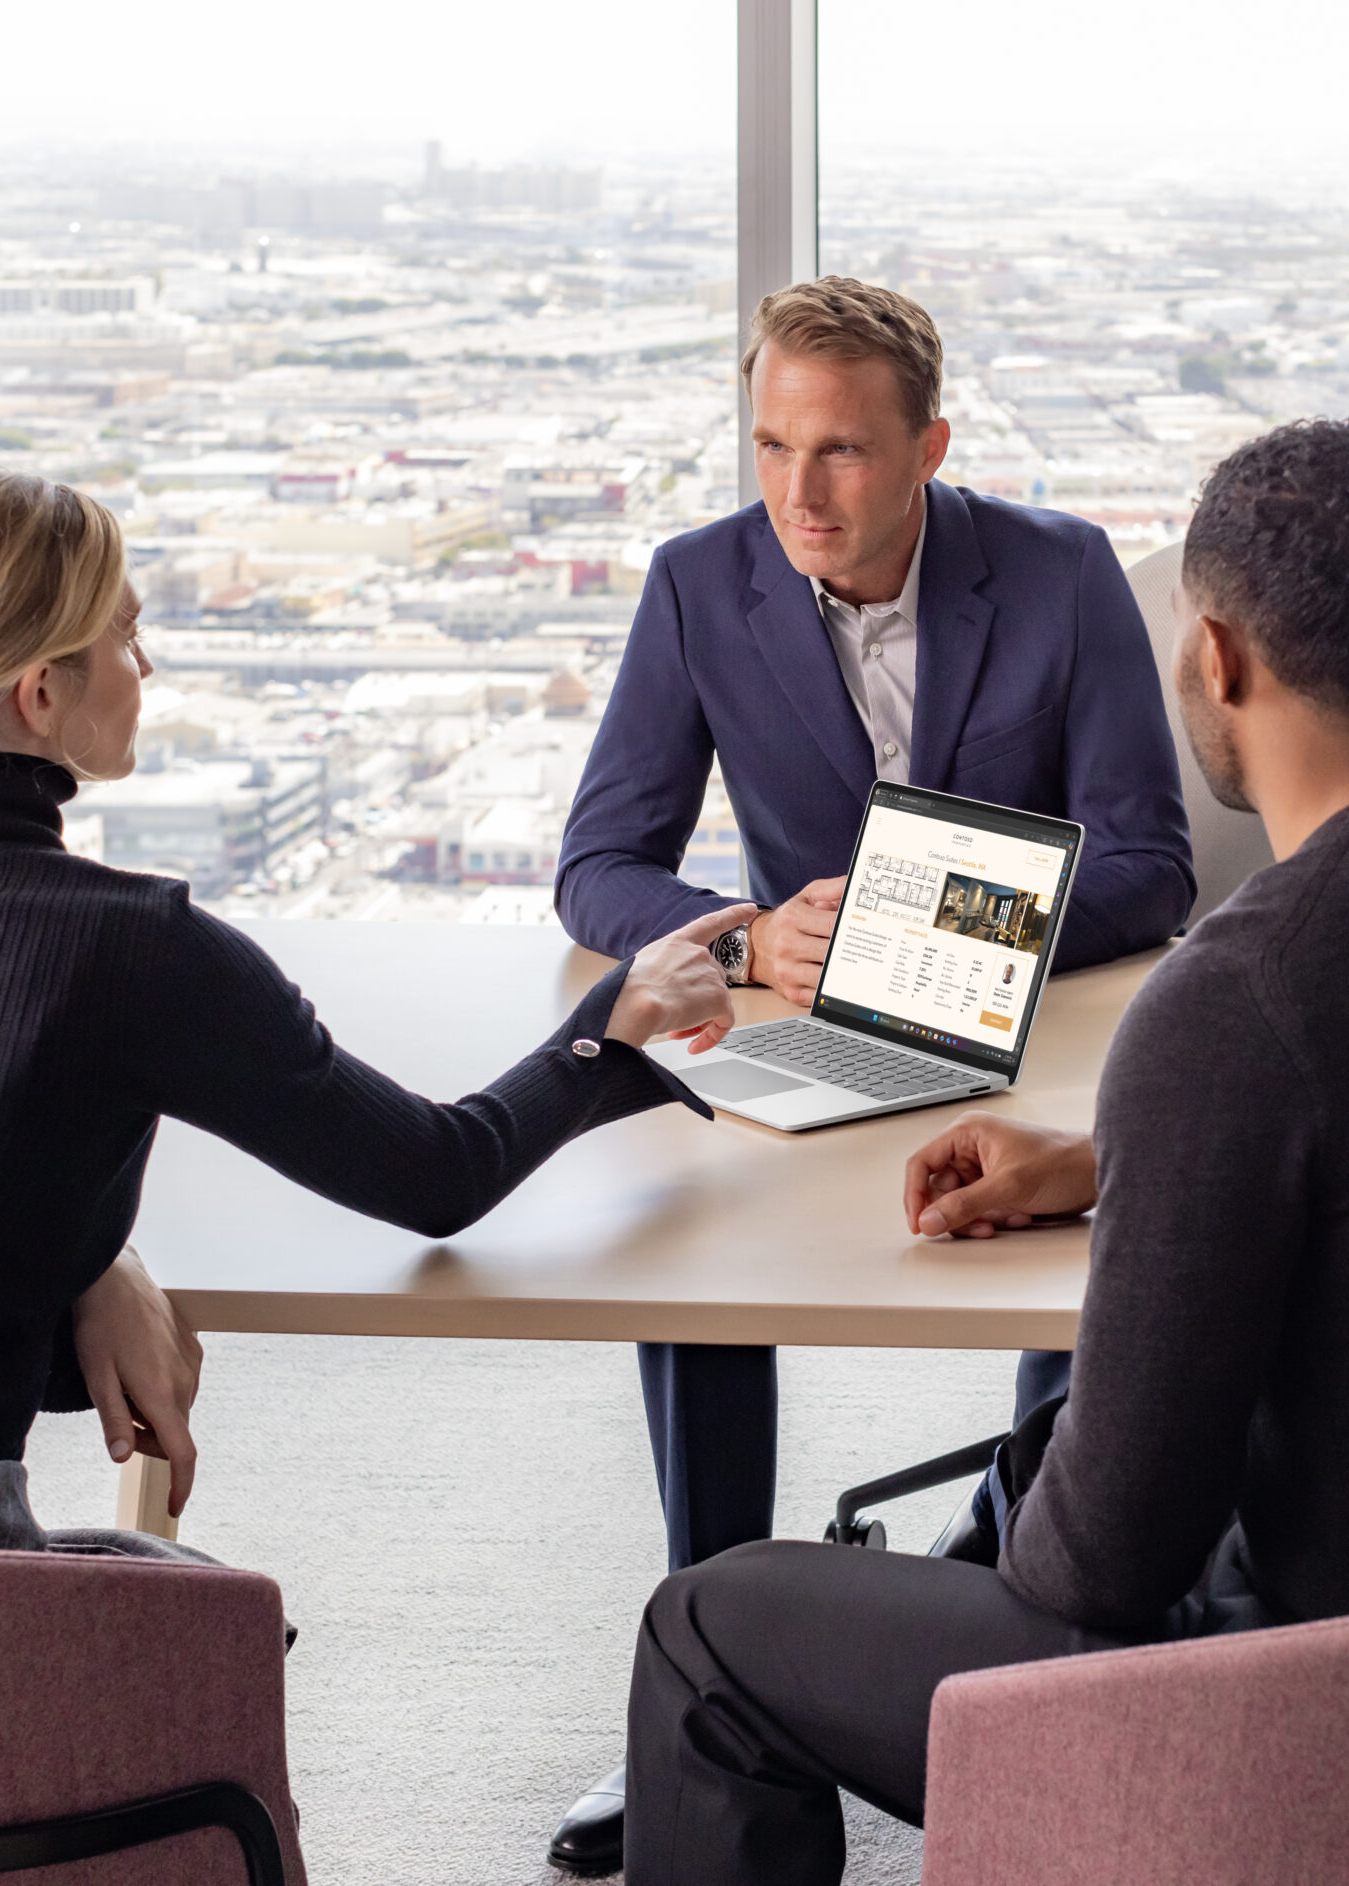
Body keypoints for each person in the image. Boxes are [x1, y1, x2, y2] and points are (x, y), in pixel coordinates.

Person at [618, 418, 1349, 1885]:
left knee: (710, 1623)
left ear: (1213, 658)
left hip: (1340, 1723)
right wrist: (1123, 1151)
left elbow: (1100, 1570)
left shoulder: (1238, 993)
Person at [0, 465, 747, 1556]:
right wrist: (619, 1016)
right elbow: (436, 1173)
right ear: (41, 694)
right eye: (123, 634)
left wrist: (99, 1256)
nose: (142, 663)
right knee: (212, 1624)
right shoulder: (128, 944)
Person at [545, 276, 1195, 1874]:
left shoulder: (1061, 572)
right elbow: (597, 863)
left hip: (1034, 1032)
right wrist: (755, 934)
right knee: (690, 1252)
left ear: (929, 450)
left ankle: (1030, 1626)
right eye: (770, 443)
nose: (796, 491)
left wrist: (929, 917)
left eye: (838, 452)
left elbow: (1155, 868)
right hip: (805, 1023)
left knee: (1072, 1254)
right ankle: (706, 1681)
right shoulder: (699, 583)